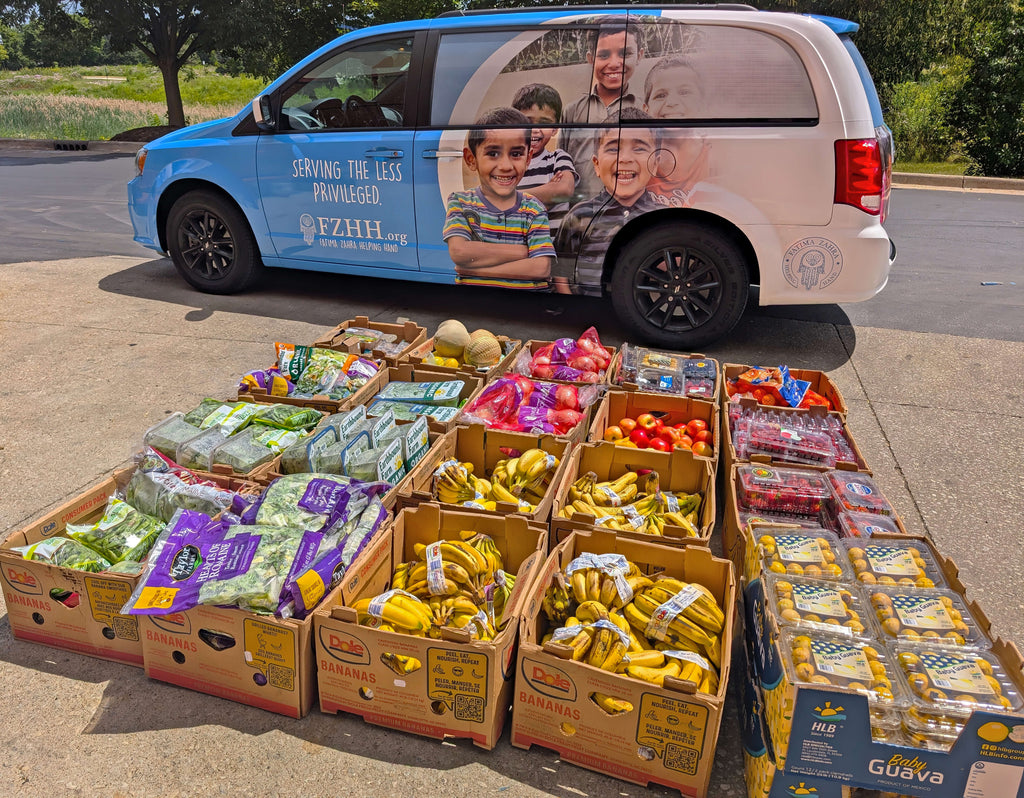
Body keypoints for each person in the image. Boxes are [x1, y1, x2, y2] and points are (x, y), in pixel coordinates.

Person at [442, 107, 555, 291]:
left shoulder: (534, 209)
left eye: (516, 154)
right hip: (476, 307)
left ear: (528, 159)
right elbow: (459, 252)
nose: (505, 166)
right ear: (471, 159)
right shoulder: (460, 203)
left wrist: (476, 272)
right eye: (493, 153)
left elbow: (541, 268)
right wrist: (523, 252)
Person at [554, 108, 661, 296]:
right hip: (588, 314)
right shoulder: (579, 216)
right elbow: (561, 273)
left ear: (655, 164)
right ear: (596, 164)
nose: (625, 158)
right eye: (613, 148)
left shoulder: (663, 218)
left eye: (639, 148)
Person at [560, 19, 643, 199]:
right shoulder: (573, 111)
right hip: (581, 211)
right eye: (604, 55)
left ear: (640, 56)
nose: (614, 63)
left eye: (625, 53)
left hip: (631, 210)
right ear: (591, 59)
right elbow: (561, 165)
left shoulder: (644, 110)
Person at [511, 83, 578, 293]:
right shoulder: (509, 163)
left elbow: (563, 191)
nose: (535, 129)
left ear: (555, 128)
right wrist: (545, 193)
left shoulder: (558, 158)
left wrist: (515, 199)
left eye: (545, 123)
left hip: (554, 254)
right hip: (518, 251)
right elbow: (497, 201)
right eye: (527, 121)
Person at [642, 55, 712, 208]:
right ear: (646, 110)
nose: (672, 102)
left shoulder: (716, 154)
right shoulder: (637, 157)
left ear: (702, 103)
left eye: (684, 92)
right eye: (661, 95)